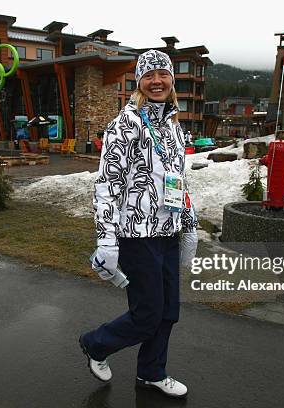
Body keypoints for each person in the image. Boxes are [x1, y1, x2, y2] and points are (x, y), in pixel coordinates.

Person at [79, 49, 198, 399]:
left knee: (168, 312)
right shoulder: (124, 124)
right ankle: (95, 343)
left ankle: (151, 373)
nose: (157, 81)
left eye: (163, 75)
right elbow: (108, 185)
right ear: (139, 82)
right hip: (135, 234)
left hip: (167, 233)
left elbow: (179, 181)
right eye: (150, 76)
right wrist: (107, 240)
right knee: (147, 314)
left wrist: (188, 225)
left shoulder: (175, 127)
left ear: (172, 81)